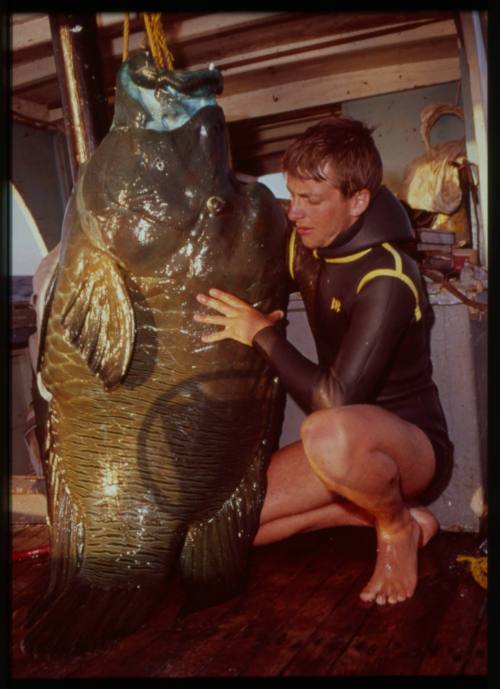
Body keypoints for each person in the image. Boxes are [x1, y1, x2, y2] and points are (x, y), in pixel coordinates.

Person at [193, 117, 453, 606]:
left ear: (358, 201)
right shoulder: (306, 245)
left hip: (409, 447)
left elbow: (336, 400)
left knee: (325, 431)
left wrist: (263, 335)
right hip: (344, 449)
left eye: (312, 200)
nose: (295, 213)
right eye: (293, 195)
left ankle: (395, 528)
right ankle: (386, 514)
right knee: (218, 530)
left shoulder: (388, 278)